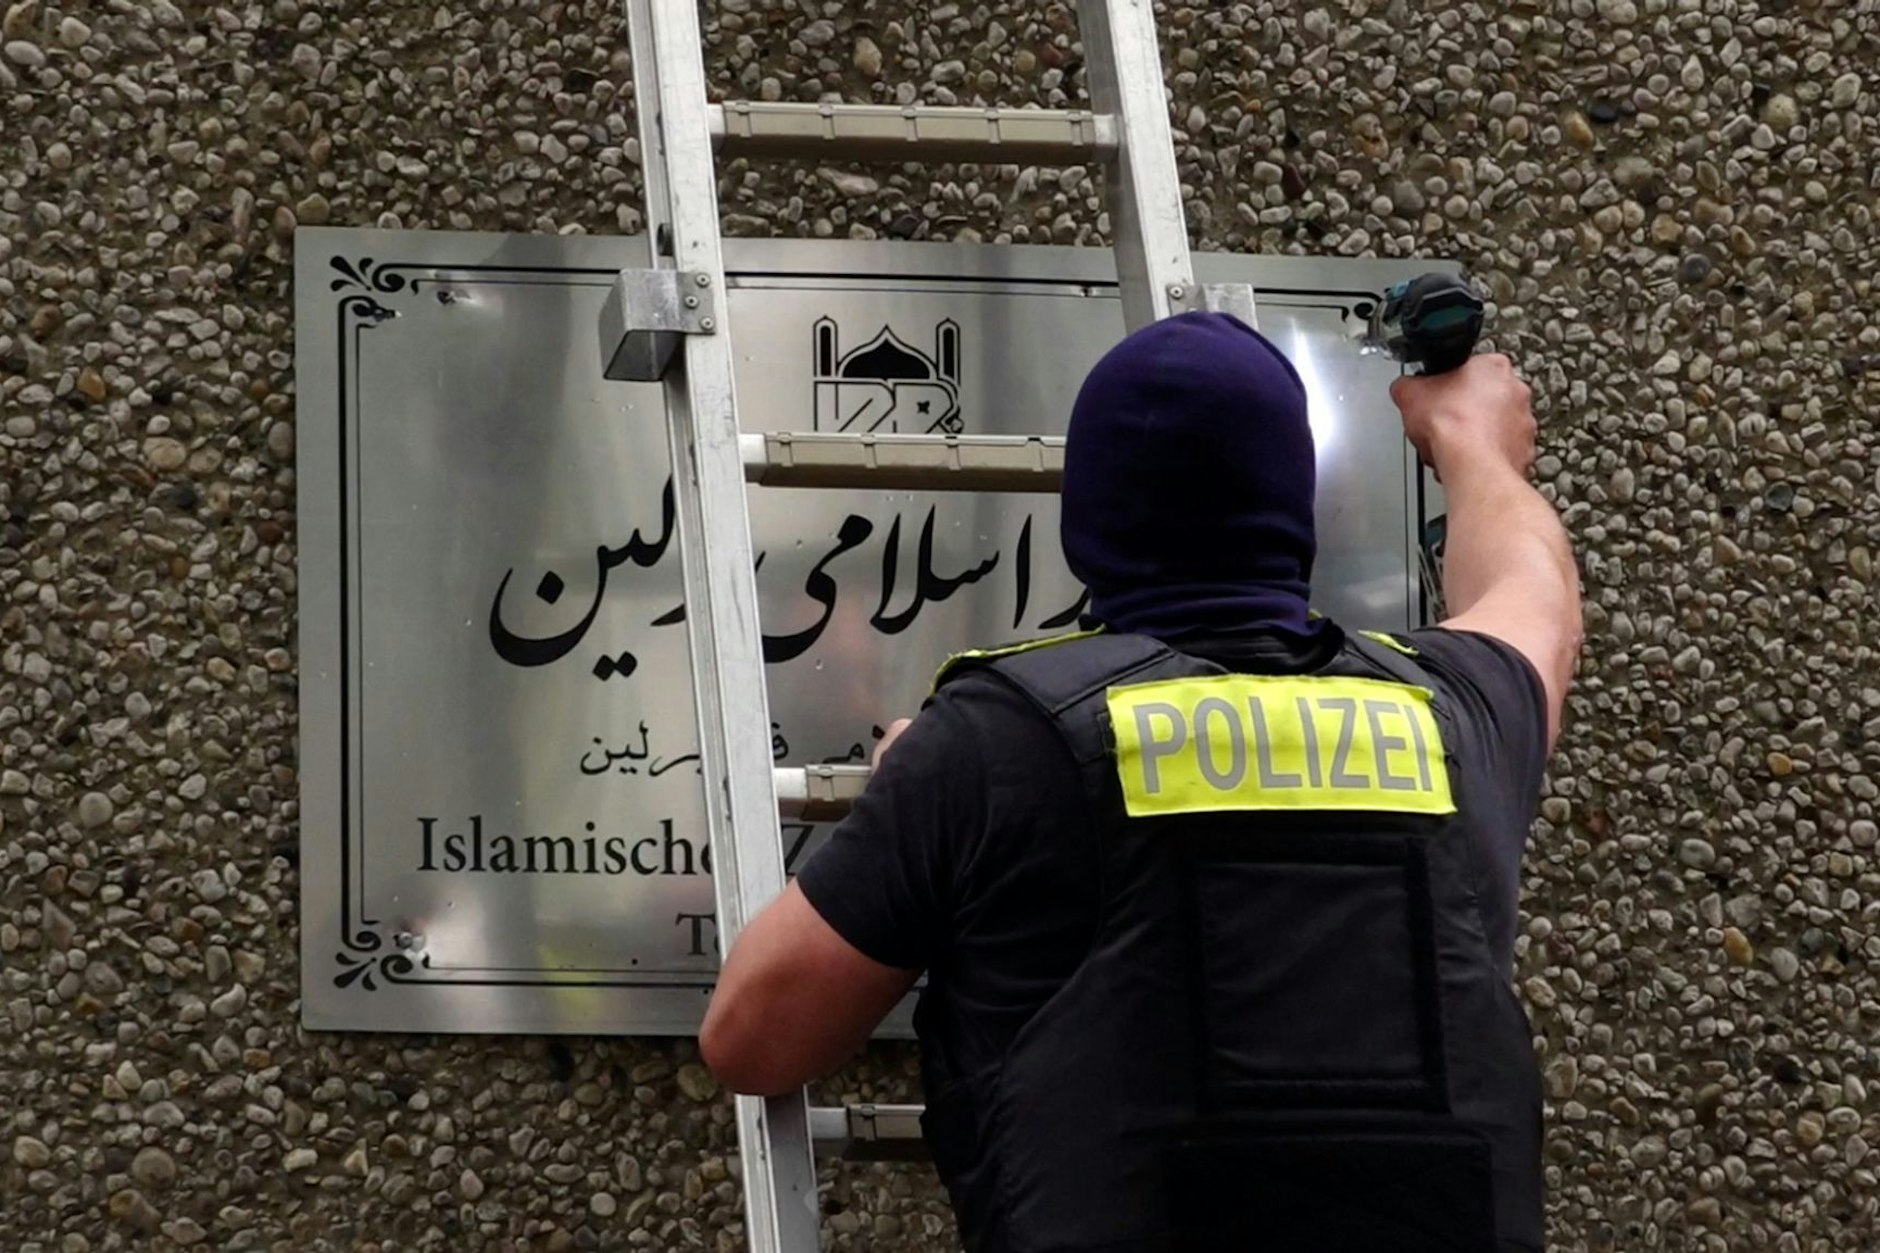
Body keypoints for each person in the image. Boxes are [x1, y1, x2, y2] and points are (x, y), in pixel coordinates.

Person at [701, 311, 1581, 1253]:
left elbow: (753, 1033)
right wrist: (1473, 443)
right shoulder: (1458, 715)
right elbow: (1536, 593)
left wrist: (909, 805)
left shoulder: (997, 743)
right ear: (1299, 510)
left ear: (1086, 523)